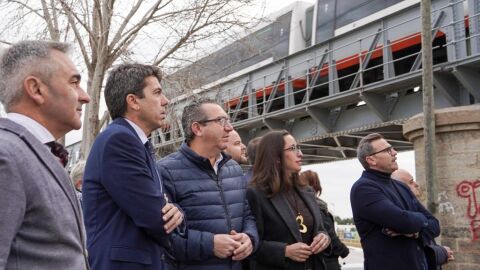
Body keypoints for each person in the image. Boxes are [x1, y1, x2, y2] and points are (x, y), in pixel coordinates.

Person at [83, 63, 184, 270]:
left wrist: (177, 211)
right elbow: (156, 216)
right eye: (157, 93)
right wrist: (168, 214)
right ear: (133, 101)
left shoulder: (136, 142)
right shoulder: (119, 140)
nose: (165, 101)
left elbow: (163, 207)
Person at [0, 40, 90, 269]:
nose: (85, 96)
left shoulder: (38, 153)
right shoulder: (6, 156)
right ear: (36, 89)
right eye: (74, 82)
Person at [156, 99, 258, 270]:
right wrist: (210, 244)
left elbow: (247, 215)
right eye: (221, 121)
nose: (229, 128)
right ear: (197, 128)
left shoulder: (233, 168)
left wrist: (250, 238)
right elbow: (163, 236)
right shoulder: (165, 171)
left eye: (228, 121)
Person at [350, 133, 440, 270]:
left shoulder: (401, 186)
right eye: (387, 150)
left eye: (392, 148)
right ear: (371, 160)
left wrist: (415, 232)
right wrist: (419, 221)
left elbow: (435, 225)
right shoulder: (364, 189)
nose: (395, 152)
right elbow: (404, 222)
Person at [246, 130, 331, 270]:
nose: (300, 153)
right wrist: (284, 251)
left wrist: (323, 237)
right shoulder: (256, 193)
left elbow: (320, 229)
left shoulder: (307, 191)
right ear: (276, 156)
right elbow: (251, 244)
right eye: (293, 148)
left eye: (299, 147)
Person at [391, 168, 454, 269]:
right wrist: (441, 253)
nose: (416, 184)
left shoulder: (415, 205)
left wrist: (415, 232)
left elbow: (434, 226)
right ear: (399, 188)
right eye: (411, 182)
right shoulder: (394, 214)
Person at [300, 170, 349, 270]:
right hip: (325, 261)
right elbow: (330, 234)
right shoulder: (317, 207)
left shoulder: (298, 207)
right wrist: (344, 251)